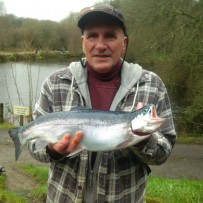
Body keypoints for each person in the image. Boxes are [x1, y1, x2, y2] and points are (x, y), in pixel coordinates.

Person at [28, 3, 176, 203]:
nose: (100, 45)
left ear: (124, 42)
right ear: (83, 41)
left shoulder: (151, 85)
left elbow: (163, 154)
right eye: (92, 36)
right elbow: (33, 144)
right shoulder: (55, 84)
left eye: (110, 35)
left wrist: (143, 139)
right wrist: (52, 151)